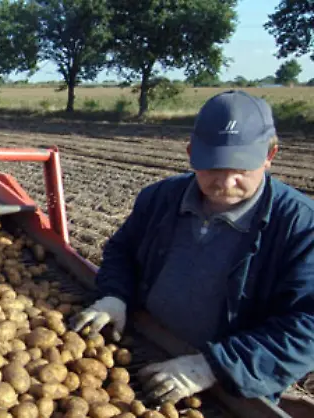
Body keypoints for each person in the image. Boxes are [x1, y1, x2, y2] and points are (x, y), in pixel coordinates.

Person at [71, 90, 314, 407]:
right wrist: (115, 295)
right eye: (213, 167)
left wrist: (214, 366)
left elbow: (307, 327)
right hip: (141, 351)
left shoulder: (300, 226)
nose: (225, 183)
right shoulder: (159, 199)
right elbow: (122, 251)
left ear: (270, 156)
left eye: (241, 169)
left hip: (224, 388)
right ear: (191, 154)